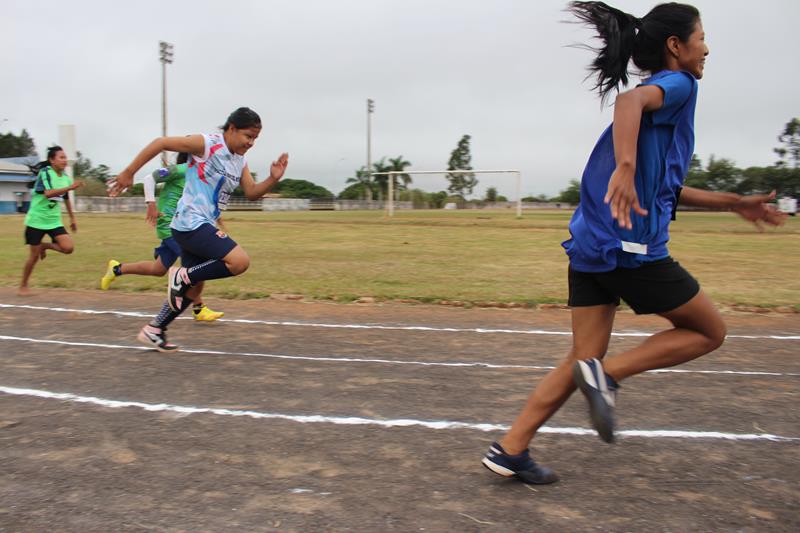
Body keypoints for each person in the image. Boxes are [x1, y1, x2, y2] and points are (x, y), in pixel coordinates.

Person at [481, 1, 786, 485]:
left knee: (583, 358)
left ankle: (511, 447)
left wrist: (732, 202)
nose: (707, 48)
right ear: (675, 47)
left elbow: (667, 188)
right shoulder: (680, 85)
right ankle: (609, 376)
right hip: (631, 251)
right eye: (701, 37)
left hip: (590, 247)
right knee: (709, 332)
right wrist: (624, 167)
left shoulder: (664, 112)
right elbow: (628, 102)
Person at [109, 107, 288, 351]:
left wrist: (273, 178)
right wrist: (129, 172)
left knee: (193, 289)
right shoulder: (205, 144)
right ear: (232, 128)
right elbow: (161, 143)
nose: (251, 143)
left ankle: (155, 329)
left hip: (203, 223)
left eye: (255, 138)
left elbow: (252, 193)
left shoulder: (239, 160)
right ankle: (180, 275)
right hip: (190, 222)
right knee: (239, 261)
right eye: (248, 136)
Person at [100, 152, 224, 321]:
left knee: (158, 269)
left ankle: (116, 269)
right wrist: (150, 204)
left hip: (184, 226)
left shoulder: (198, 176)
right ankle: (198, 308)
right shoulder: (181, 170)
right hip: (170, 225)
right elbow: (149, 178)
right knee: (197, 263)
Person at [19, 145, 84, 295]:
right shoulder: (45, 173)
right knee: (33, 257)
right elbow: (48, 193)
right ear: (52, 160)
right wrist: (70, 188)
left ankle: (45, 246)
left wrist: (72, 218)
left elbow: (66, 199)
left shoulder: (66, 179)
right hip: (36, 220)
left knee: (68, 248)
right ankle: (23, 285)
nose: (65, 160)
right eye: (61, 157)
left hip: (53, 221)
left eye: (65, 157)